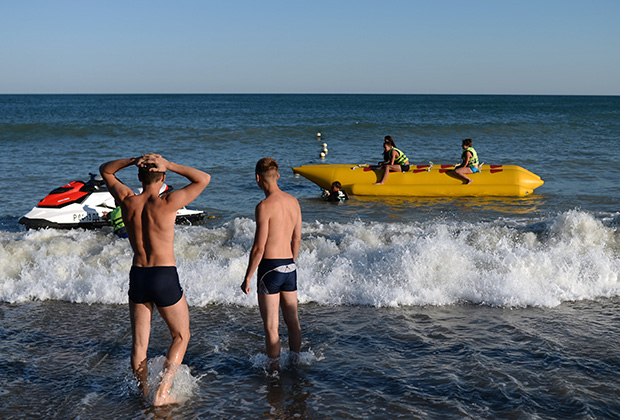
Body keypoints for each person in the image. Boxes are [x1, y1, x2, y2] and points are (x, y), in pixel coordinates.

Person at [99, 153, 210, 406]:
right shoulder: (169, 202)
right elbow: (204, 179)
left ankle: (142, 393)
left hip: (138, 275)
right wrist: (169, 164)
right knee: (181, 336)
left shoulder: (127, 201)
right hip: (164, 276)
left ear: (139, 176)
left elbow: (105, 170)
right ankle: (162, 393)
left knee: (139, 343)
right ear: (163, 177)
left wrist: (134, 159)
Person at [241, 157, 302, 369]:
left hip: (270, 269)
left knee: (271, 326)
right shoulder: (294, 201)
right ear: (278, 176)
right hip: (289, 267)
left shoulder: (264, 206)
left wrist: (248, 276)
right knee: (293, 322)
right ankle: (295, 364)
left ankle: (274, 372)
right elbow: (297, 239)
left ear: (258, 178)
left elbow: (259, 248)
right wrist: (291, 262)